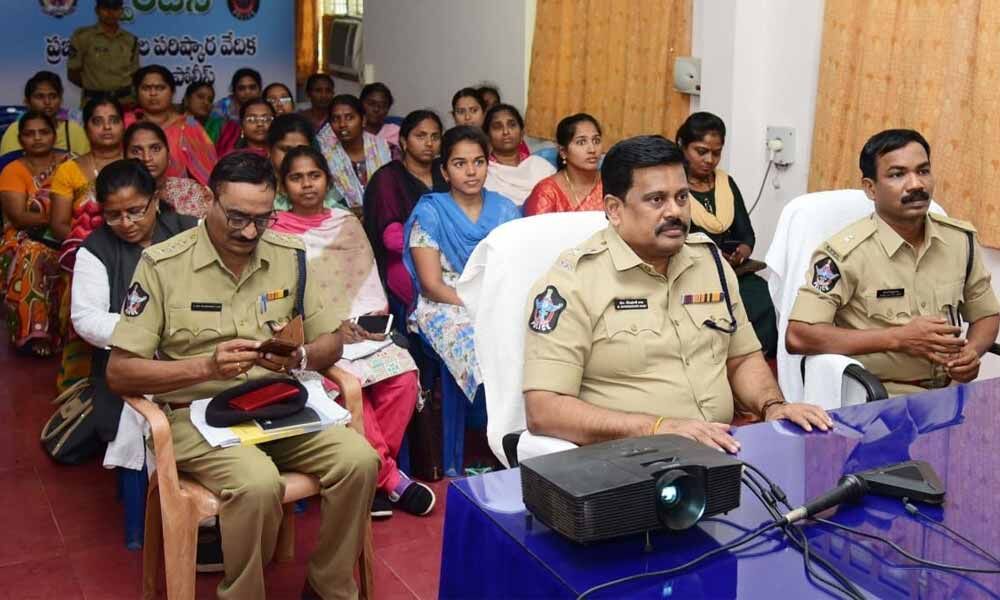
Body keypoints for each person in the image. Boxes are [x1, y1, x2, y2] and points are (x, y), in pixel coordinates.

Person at [105, 152, 379, 600]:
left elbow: (332, 339)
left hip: (277, 403)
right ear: (209, 201)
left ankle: (329, 587)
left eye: (262, 219)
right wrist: (205, 367)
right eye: (237, 218)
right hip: (195, 416)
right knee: (255, 484)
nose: (250, 232)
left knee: (359, 461)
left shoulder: (289, 254)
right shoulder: (162, 265)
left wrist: (301, 356)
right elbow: (119, 373)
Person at [523, 135, 832, 452]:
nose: (675, 212)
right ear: (614, 209)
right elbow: (544, 409)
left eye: (682, 197)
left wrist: (772, 406)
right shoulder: (571, 283)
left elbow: (741, 359)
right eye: (657, 200)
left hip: (721, 447)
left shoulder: (710, 262)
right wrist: (657, 428)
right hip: (627, 457)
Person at [272, 145, 434, 519]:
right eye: (296, 178)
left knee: (404, 375)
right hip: (314, 337)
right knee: (347, 386)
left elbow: (364, 280)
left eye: (314, 176)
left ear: (327, 179)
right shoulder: (276, 232)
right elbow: (280, 297)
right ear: (284, 185)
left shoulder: (346, 222)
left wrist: (361, 321)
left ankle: (370, 474)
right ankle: (390, 480)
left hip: (359, 328)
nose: (307, 185)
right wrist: (328, 329)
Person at [786, 129, 1000, 397]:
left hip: (950, 394)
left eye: (923, 171)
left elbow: (986, 313)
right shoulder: (845, 254)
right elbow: (799, 336)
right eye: (898, 175)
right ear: (870, 188)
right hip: (879, 400)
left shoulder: (959, 241)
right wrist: (898, 338)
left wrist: (971, 352)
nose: (915, 185)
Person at [71, 159, 198, 451]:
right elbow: (87, 318)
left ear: (154, 200)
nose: (126, 223)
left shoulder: (189, 231)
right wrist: (146, 332)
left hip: (195, 347)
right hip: (133, 362)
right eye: (113, 215)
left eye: (135, 211)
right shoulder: (96, 249)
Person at [404, 125, 521, 401]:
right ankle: (483, 424)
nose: (471, 171)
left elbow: (516, 271)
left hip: (496, 296)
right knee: (481, 348)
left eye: (478, 162)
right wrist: (476, 304)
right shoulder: (430, 213)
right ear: (444, 171)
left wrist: (496, 303)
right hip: (445, 303)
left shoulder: (505, 209)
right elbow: (431, 285)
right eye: (460, 164)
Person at [676, 112, 778, 357]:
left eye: (716, 152)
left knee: (764, 295)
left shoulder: (725, 183)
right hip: (691, 271)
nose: (710, 160)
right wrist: (713, 256)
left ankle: (756, 363)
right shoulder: (673, 186)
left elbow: (746, 232)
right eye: (701, 151)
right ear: (682, 146)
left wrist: (742, 250)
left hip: (734, 271)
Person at [49, 95, 125, 388]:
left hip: (130, 246)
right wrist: (93, 249)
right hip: (83, 250)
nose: (106, 128)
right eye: (97, 121)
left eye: (113, 120)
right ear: (86, 126)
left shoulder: (134, 165)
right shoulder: (69, 170)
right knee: (79, 285)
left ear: (123, 125)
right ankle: (78, 382)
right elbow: (58, 223)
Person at [0, 111, 71, 356]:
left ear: (54, 135)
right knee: (31, 253)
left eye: (44, 132)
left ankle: (69, 332)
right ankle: (35, 331)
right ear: (20, 140)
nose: (37, 138)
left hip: (69, 231)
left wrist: (66, 224)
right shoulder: (13, 170)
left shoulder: (70, 164)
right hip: (24, 236)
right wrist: (59, 217)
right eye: (30, 134)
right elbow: (19, 217)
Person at [363, 110, 445, 309]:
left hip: (451, 255)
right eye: (420, 136)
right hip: (405, 261)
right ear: (404, 141)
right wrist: (438, 247)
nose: (429, 143)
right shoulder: (388, 178)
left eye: (435, 137)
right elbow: (392, 239)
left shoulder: (445, 170)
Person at [127, 65, 217, 186]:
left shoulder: (189, 124)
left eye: (160, 88)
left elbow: (209, 172)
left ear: (173, 91)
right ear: (137, 92)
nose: (153, 93)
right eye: (146, 88)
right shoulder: (127, 122)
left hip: (181, 199)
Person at [318, 95, 392, 211]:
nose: (342, 124)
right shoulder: (324, 156)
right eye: (336, 119)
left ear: (363, 120)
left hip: (384, 214)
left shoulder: (386, 149)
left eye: (349, 118)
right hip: (342, 220)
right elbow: (325, 198)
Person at [124, 122, 212, 218]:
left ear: (168, 154)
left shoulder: (190, 191)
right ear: (124, 157)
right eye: (136, 151)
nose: (147, 158)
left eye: (155, 149)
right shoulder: (118, 196)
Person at [524, 113, 604, 216]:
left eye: (596, 141)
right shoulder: (547, 192)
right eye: (581, 142)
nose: (592, 149)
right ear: (563, 151)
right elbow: (537, 231)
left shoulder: (614, 184)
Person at [67, 0, 139, 109]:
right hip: (93, 104)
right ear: (97, 10)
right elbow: (73, 73)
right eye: (106, 8)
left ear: (121, 11)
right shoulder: (82, 37)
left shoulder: (130, 39)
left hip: (125, 104)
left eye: (115, 8)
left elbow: (134, 75)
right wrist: (95, 88)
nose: (110, 12)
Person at [267, 113, 344, 212]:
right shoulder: (258, 185)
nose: (293, 156)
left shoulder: (320, 182)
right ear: (269, 150)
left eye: (301, 149)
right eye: (286, 149)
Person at [1, 71, 90, 156]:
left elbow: (84, 167)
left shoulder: (73, 130)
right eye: (40, 96)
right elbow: (8, 167)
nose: (47, 102)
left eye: (53, 96)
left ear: (61, 100)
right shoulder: (15, 130)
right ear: (27, 102)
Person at [483, 104, 554, 206]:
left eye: (512, 125)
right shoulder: (484, 172)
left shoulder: (541, 166)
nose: (506, 132)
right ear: (488, 136)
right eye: (497, 127)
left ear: (522, 133)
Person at [360, 82, 399, 150]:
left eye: (382, 105)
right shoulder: (351, 132)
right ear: (360, 103)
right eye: (371, 104)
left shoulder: (396, 133)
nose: (376, 109)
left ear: (388, 109)